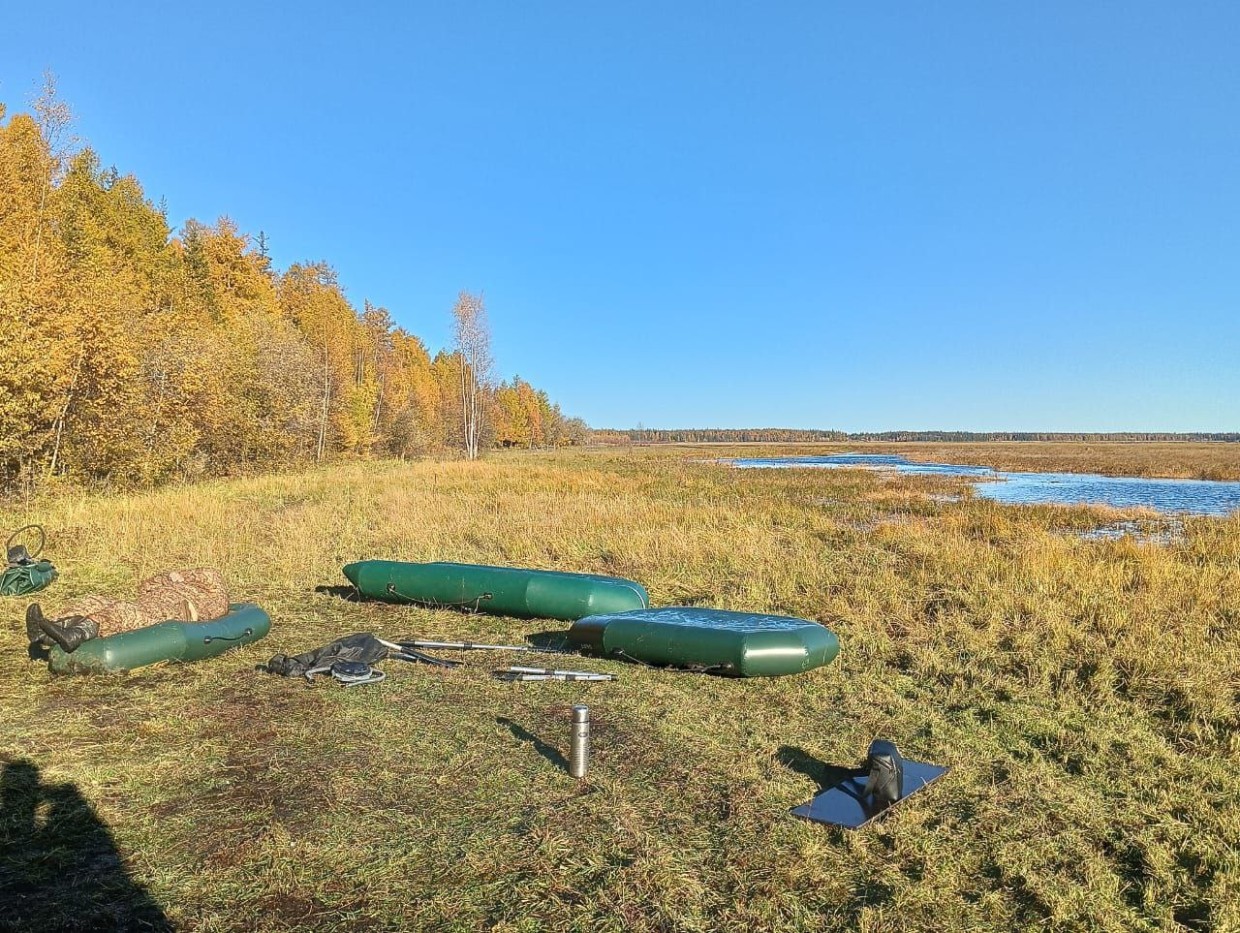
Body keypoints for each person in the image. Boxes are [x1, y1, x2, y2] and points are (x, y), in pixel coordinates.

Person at [26, 569, 230, 653]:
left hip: (172, 611)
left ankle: (76, 634)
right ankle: (50, 629)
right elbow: (144, 586)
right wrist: (170, 579)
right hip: (147, 602)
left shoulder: (212, 596)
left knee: (123, 612)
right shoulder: (170, 584)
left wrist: (177, 579)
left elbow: (208, 577)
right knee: (94, 600)